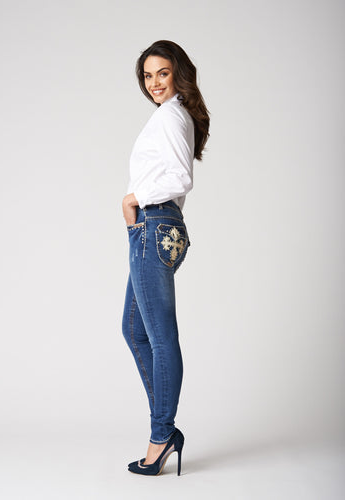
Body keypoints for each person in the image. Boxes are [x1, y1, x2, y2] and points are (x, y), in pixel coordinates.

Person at [122, 40, 210, 476]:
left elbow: (180, 177)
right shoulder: (170, 115)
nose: (154, 82)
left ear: (178, 73)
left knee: (159, 336)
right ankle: (165, 425)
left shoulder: (172, 116)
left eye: (162, 72)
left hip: (155, 224)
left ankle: (161, 436)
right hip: (157, 227)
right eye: (148, 75)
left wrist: (133, 199)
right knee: (136, 329)